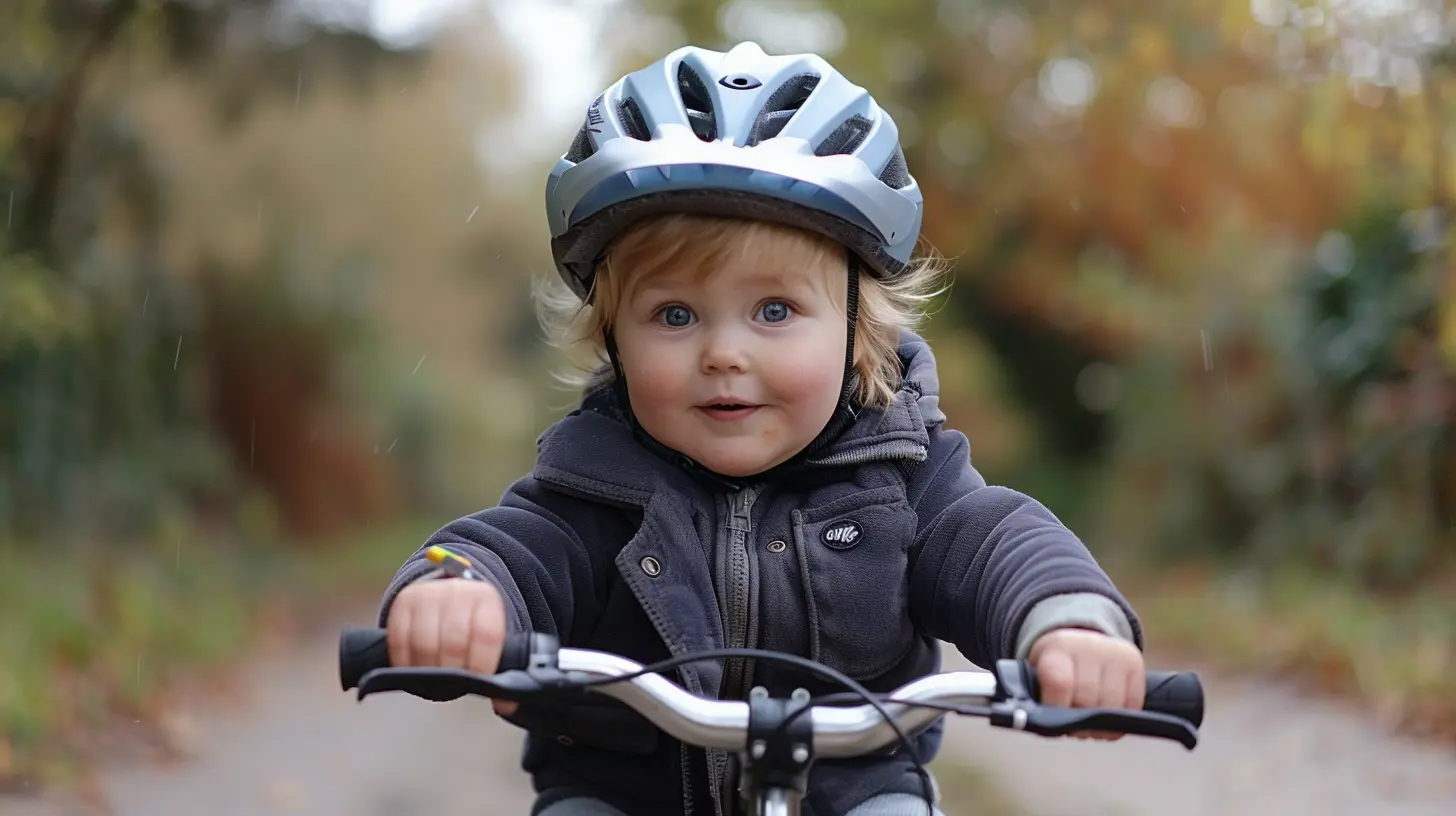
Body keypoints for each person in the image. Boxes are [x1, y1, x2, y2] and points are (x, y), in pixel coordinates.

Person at [377, 41, 1146, 816]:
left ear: (858, 327)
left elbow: (994, 542)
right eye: (674, 315)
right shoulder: (592, 487)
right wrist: (455, 587)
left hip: (854, 794)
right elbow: (510, 548)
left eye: (774, 311)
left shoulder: (907, 477)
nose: (723, 353)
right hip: (621, 797)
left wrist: (1066, 621)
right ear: (612, 339)